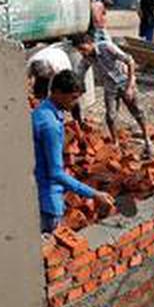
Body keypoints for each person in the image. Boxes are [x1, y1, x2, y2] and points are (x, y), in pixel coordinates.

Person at [32, 70, 114, 233]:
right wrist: (94, 194)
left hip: (37, 194)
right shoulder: (50, 126)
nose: (75, 103)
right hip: (48, 200)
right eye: (73, 97)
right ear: (57, 92)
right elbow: (56, 173)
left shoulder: (42, 111)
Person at [72, 33, 154, 157]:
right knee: (110, 117)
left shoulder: (106, 47)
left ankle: (148, 142)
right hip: (110, 88)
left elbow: (129, 61)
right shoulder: (87, 58)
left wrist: (130, 85)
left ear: (90, 43)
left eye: (83, 49)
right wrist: (80, 87)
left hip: (125, 82)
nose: (82, 52)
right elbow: (80, 72)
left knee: (137, 112)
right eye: (79, 50)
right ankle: (115, 144)